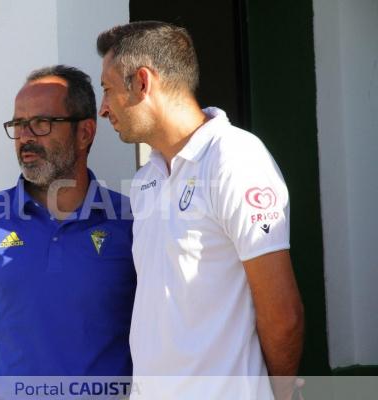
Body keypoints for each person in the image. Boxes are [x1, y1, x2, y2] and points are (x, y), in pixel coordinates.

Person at [97, 21, 304, 399]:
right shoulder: (146, 180)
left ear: (142, 82)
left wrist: (283, 394)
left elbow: (282, 315)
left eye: (107, 90)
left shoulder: (235, 157)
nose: (103, 108)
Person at [0, 65, 136, 396]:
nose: (25, 137)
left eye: (41, 123)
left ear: (85, 132)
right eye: (18, 124)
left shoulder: (132, 221)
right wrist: (3, 368)